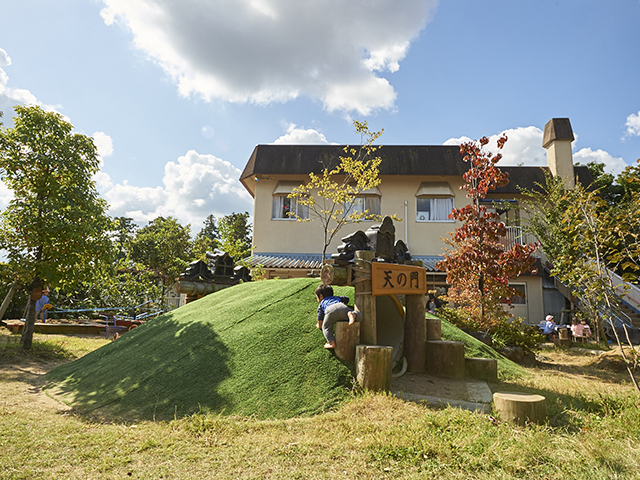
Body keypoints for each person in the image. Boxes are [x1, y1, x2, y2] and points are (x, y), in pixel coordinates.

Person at [315, 284, 362, 349]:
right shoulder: (337, 297)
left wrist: (318, 325)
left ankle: (331, 343)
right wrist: (345, 303)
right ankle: (353, 314)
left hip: (330, 310)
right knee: (359, 315)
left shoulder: (321, 303)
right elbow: (346, 298)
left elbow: (320, 319)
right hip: (342, 306)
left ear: (321, 296)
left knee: (326, 327)